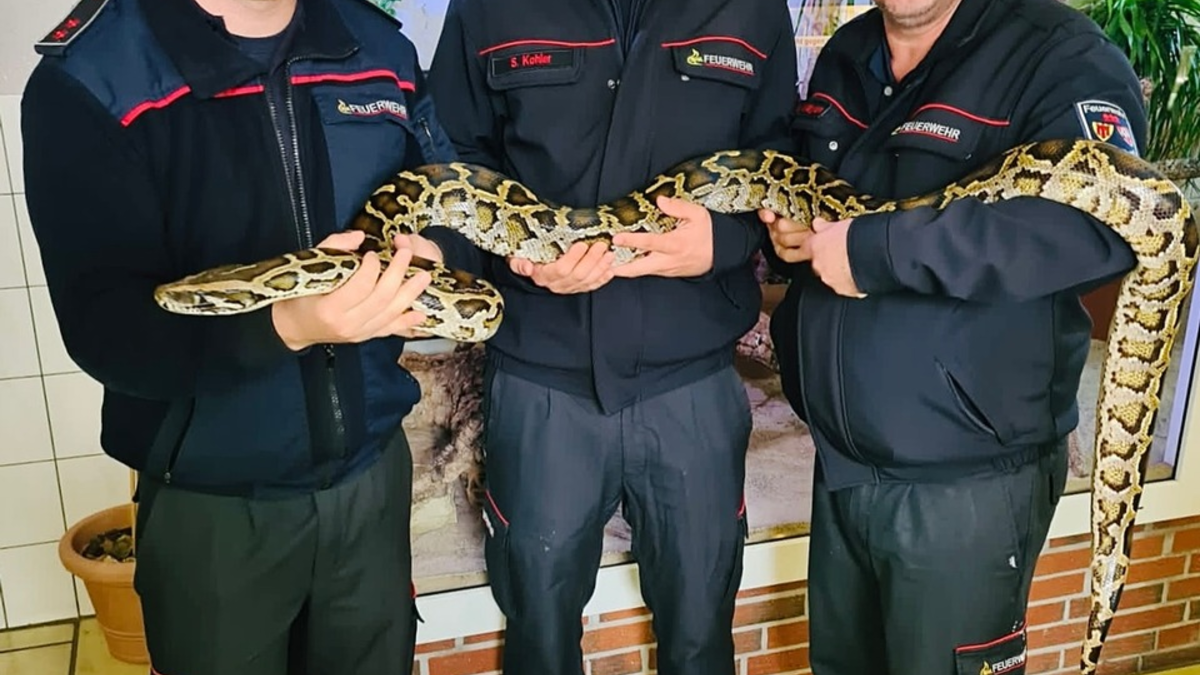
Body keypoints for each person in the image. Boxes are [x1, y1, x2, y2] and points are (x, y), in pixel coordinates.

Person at [20, 0, 462, 673]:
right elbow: (105, 330)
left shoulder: (376, 47)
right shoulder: (92, 78)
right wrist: (292, 324)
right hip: (213, 509)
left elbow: (452, 207)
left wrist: (435, 259)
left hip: (370, 484)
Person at [395, 1, 795, 673]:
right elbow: (453, 151)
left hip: (690, 383)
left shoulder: (751, 8)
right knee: (539, 635)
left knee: (701, 634)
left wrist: (720, 240)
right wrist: (510, 255)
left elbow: (779, 152)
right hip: (539, 380)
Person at [760, 0, 1143, 673]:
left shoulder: (1059, 54)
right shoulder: (849, 52)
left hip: (964, 487)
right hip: (842, 467)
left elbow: (1098, 227)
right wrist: (796, 232)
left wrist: (876, 252)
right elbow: (822, 193)